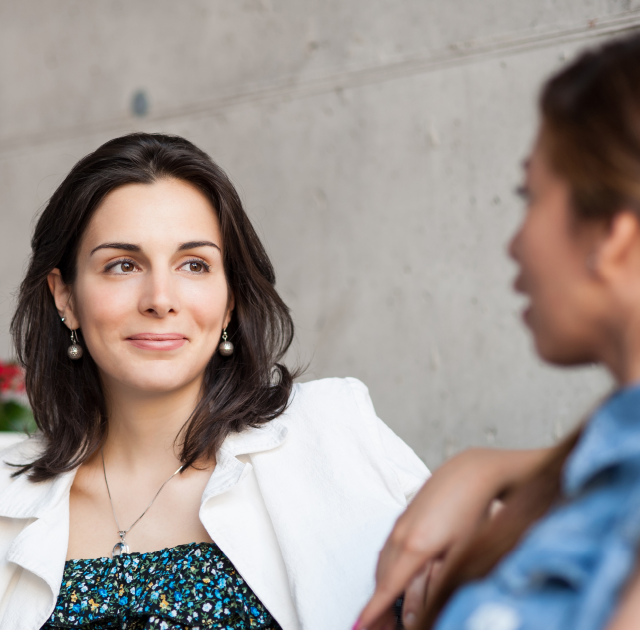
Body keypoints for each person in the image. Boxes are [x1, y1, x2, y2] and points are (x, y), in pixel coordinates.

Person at [0, 133, 431, 630]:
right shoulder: (12, 498)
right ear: (66, 298)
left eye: (194, 265)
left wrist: (485, 473)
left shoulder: (333, 433)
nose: (160, 299)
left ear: (229, 299)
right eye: (123, 265)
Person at [355, 32, 640, 630]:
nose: (513, 243)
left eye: (529, 196)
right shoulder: (601, 466)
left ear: (612, 236)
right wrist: (486, 467)